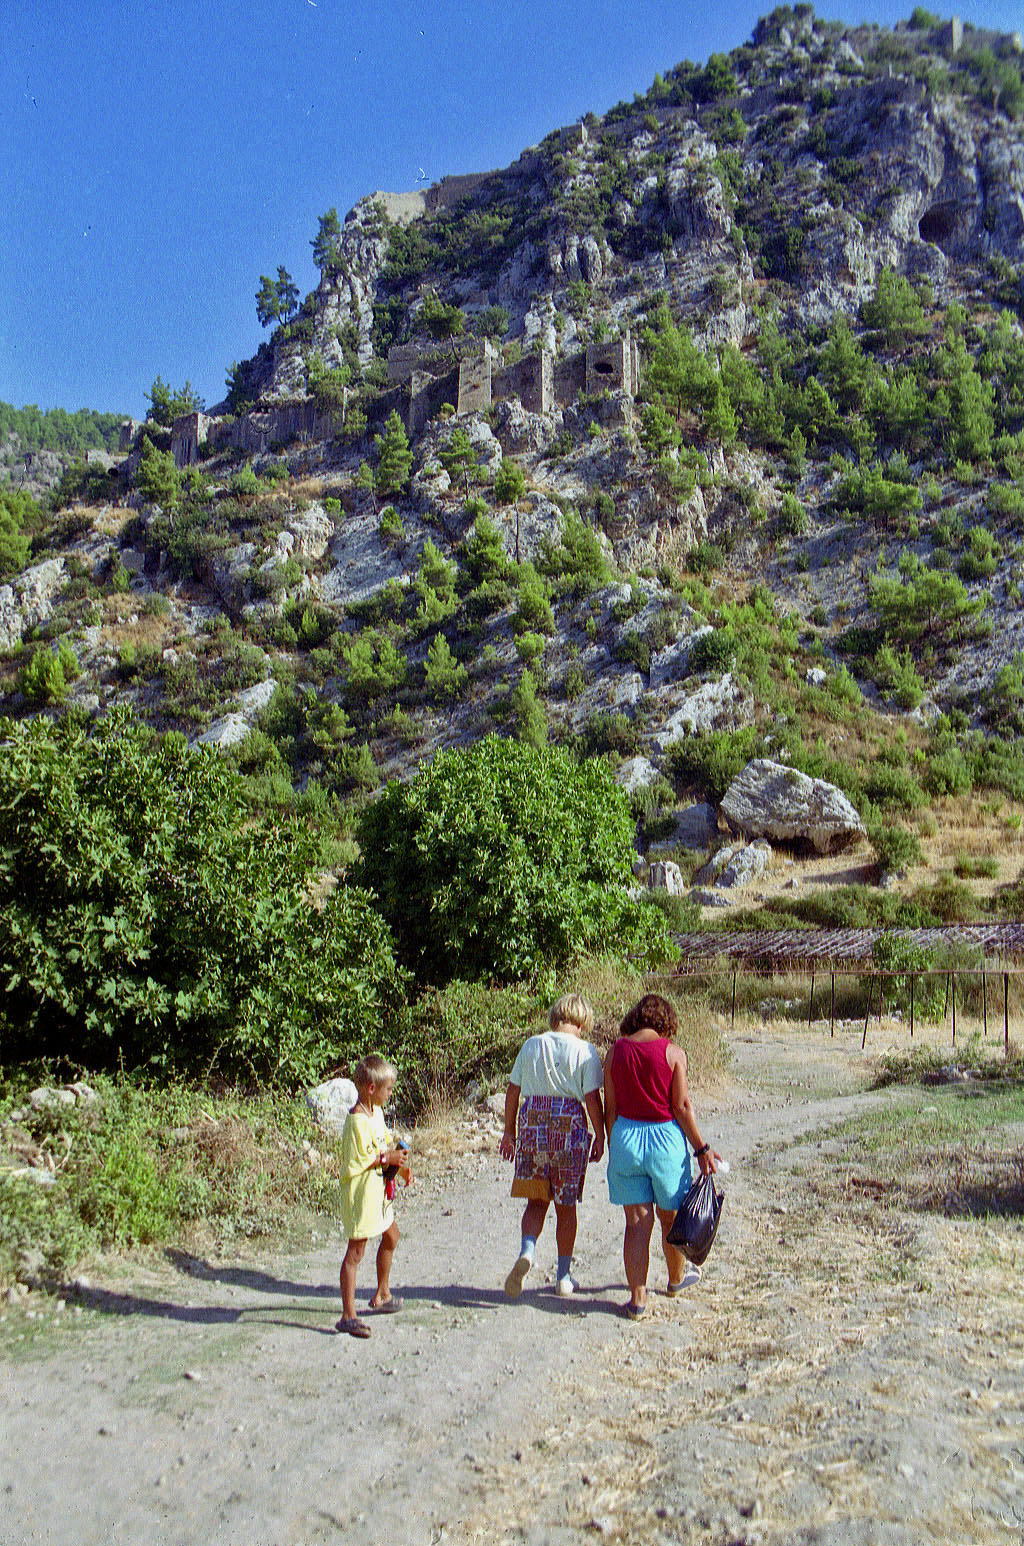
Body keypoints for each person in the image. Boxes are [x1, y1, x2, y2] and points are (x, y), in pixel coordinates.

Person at [604, 993, 718, 1319]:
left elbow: (610, 1108)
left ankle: (637, 1300)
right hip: (665, 1140)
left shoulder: (615, 1052)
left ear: (635, 1018)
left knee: (637, 1223)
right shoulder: (673, 1053)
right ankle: (675, 1279)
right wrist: (701, 1148)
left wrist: (616, 1148)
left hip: (626, 1137)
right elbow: (682, 1107)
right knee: (671, 1218)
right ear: (665, 1020)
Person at [499, 993, 605, 1299]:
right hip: (568, 1125)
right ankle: (563, 1276)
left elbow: (512, 1091)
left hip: (532, 1121)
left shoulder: (532, 1044)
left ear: (555, 1016)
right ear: (582, 1021)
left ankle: (528, 1251)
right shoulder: (586, 1051)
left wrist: (509, 1132)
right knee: (565, 1206)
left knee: (535, 1199)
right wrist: (599, 1136)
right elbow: (592, 1099)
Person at [336, 1054, 412, 1338]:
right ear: (371, 1088)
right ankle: (348, 1315)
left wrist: (401, 1168)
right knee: (355, 1252)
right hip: (361, 1195)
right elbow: (362, 1158)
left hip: (379, 1192)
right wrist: (388, 1157)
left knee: (391, 1236)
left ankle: (382, 1294)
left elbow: (385, 1145)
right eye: (388, 1089)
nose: (390, 1094)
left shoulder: (376, 1114)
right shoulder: (356, 1121)